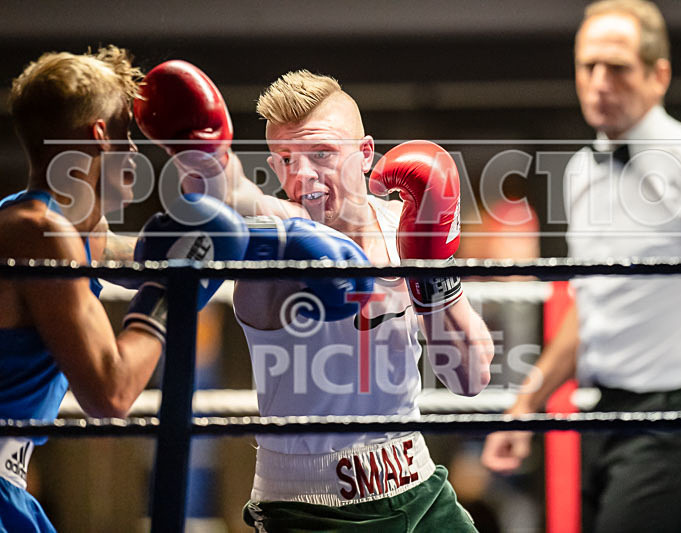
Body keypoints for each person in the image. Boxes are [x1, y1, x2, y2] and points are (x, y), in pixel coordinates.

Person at [135, 63, 494, 531]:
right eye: (286, 158)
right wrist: (201, 153)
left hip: (420, 485)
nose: (303, 174)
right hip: (310, 508)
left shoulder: (404, 226)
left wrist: (433, 271)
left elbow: (471, 378)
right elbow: (228, 194)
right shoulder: (276, 238)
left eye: (321, 152)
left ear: (365, 154)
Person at [481, 1, 681, 532]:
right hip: (602, 412)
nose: (600, 82)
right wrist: (526, 404)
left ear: (658, 75)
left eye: (618, 67)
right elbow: (592, 306)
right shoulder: (581, 171)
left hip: (677, 415)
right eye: (588, 66)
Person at [0, 47, 247, 531]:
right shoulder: (36, 234)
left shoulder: (39, 224)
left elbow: (145, 253)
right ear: (100, 137)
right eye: (127, 135)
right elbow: (110, 394)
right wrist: (168, 294)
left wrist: (218, 188)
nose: (135, 151)